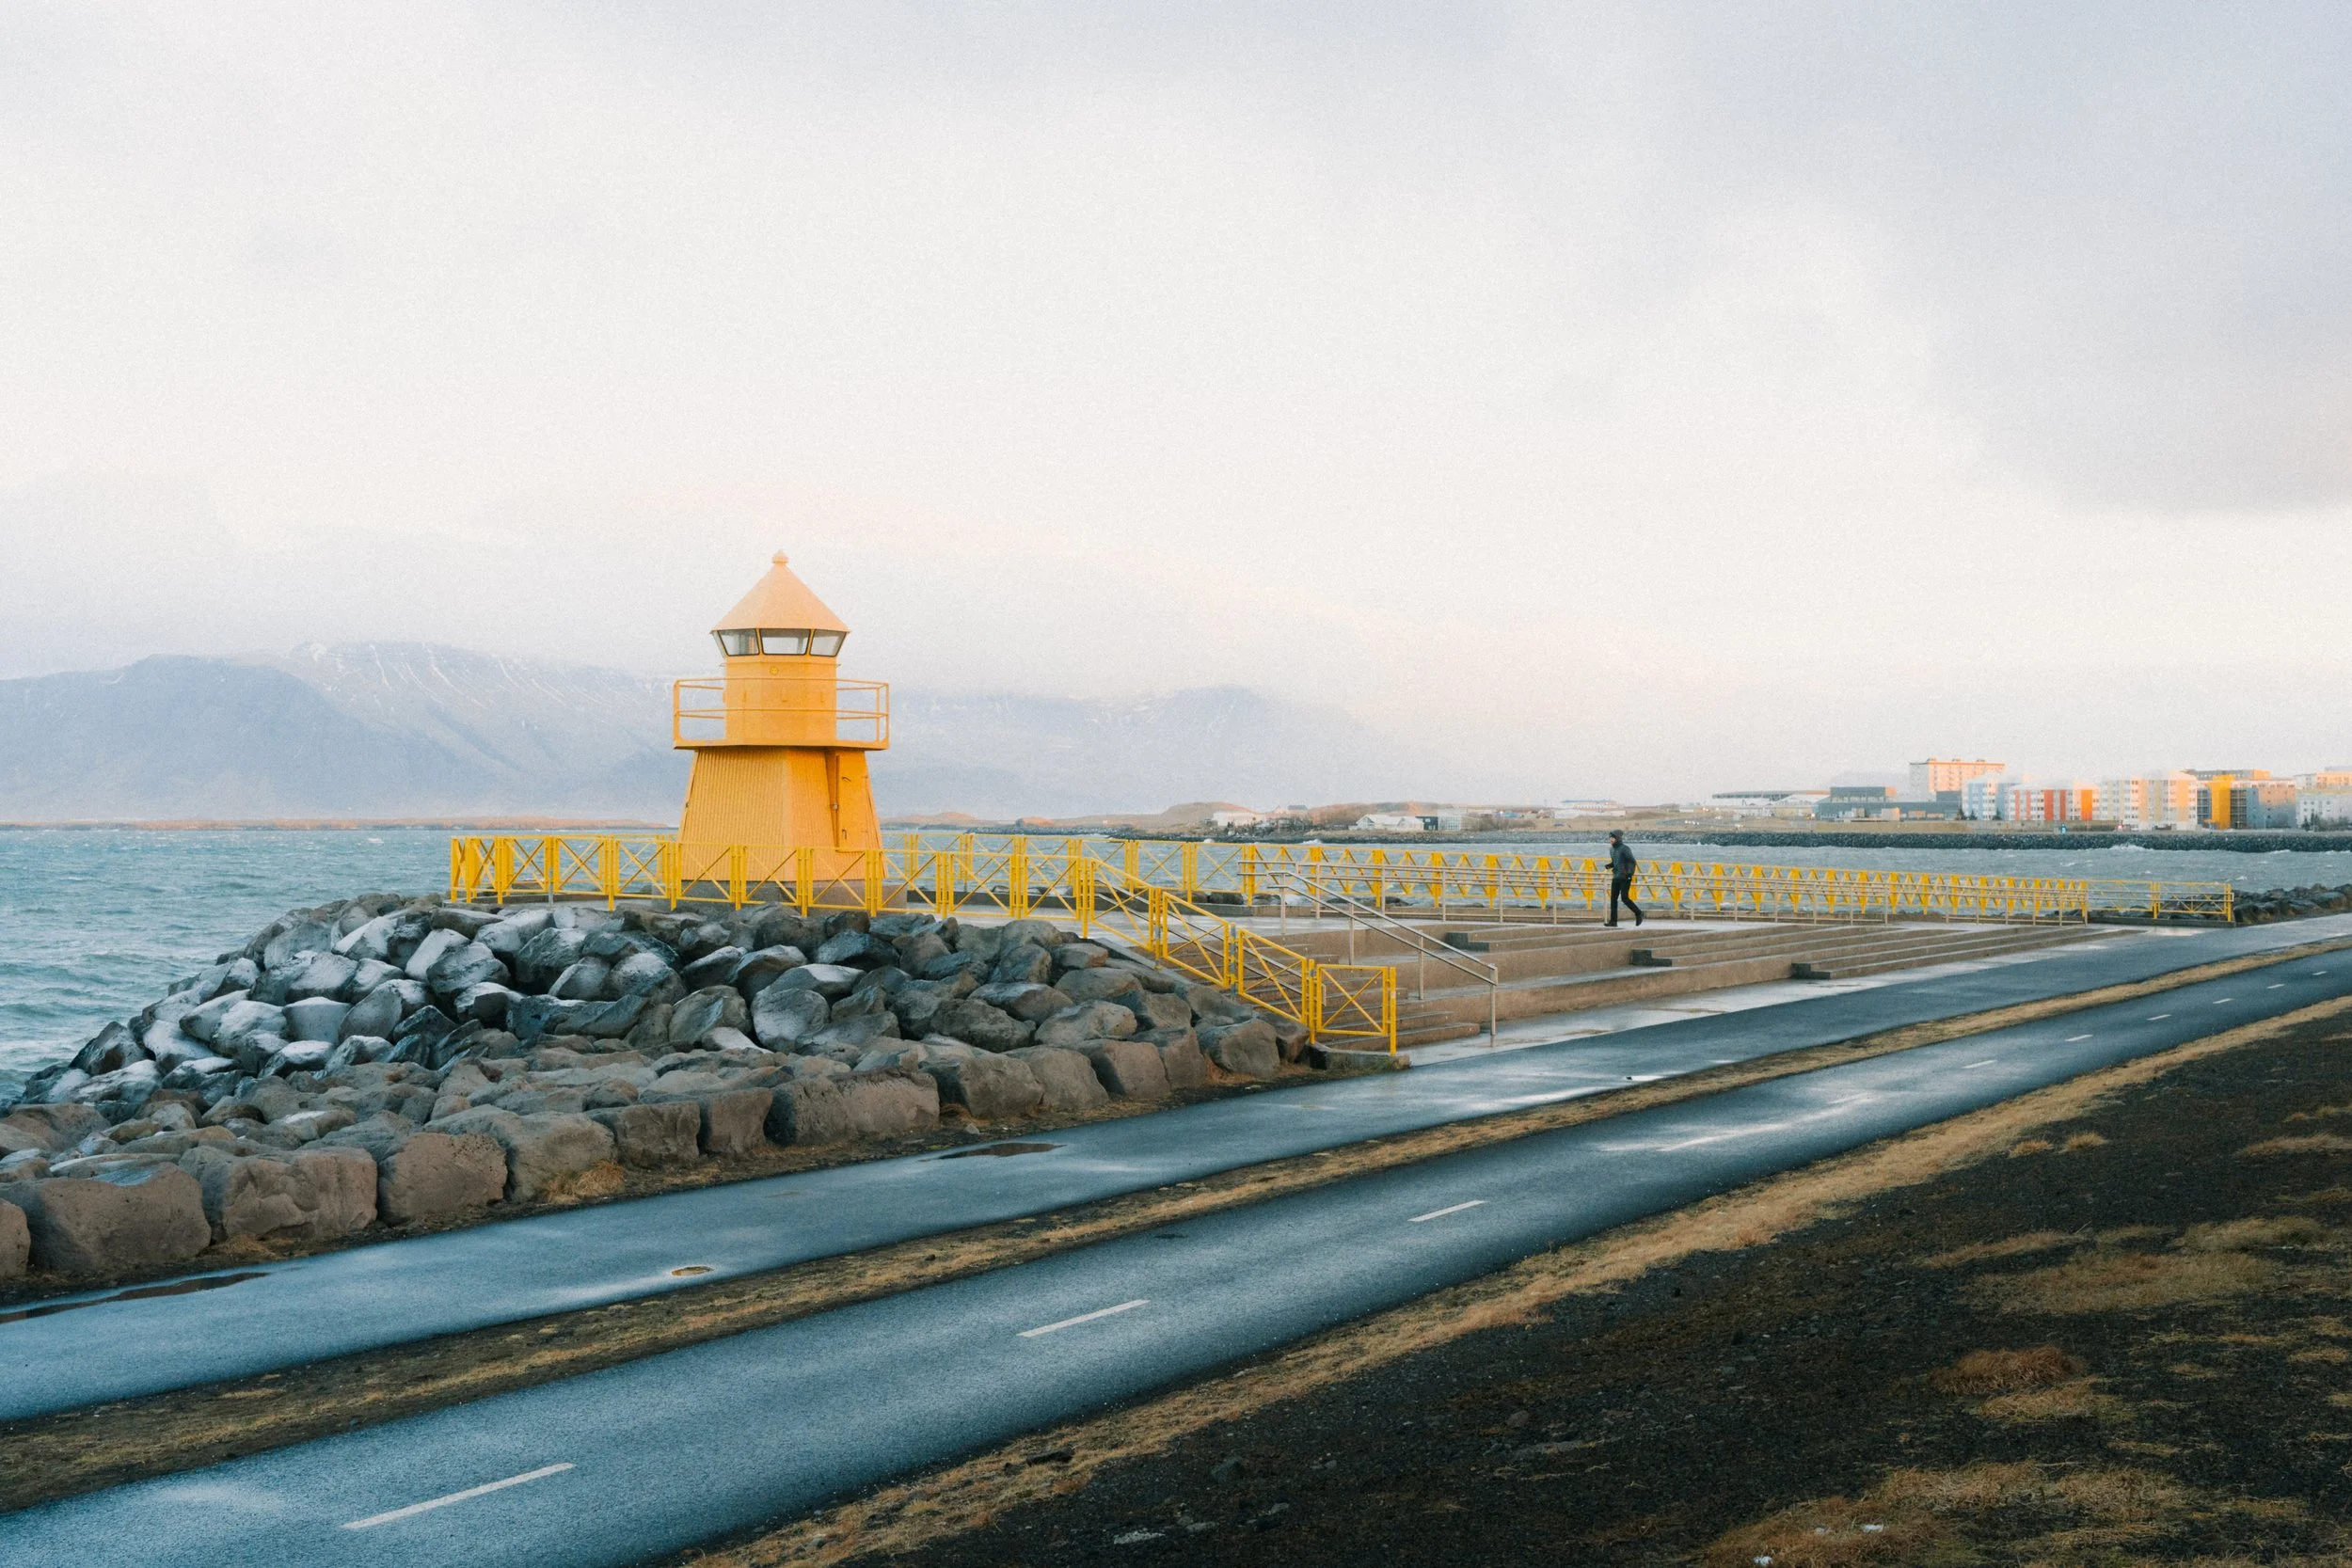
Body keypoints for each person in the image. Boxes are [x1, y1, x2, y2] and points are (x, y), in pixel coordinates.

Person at [1604, 830, 1644, 927]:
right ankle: (1613, 922)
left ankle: (1638, 913)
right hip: (1616, 876)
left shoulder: (1625, 849)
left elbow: (1632, 862)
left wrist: (1630, 873)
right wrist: (1610, 865)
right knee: (1613, 898)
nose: (1611, 840)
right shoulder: (1611, 850)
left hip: (1625, 877)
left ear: (1617, 838)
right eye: (1610, 838)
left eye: (1612, 838)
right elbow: (1616, 862)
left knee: (1624, 898)